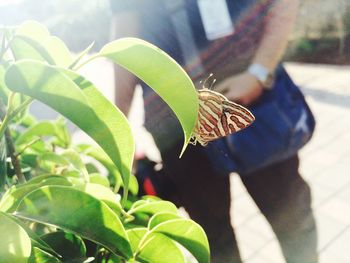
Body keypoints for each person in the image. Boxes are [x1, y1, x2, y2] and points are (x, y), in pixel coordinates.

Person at [110, 0, 318, 262]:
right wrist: (118, 136)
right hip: (176, 125)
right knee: (213, 238)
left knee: (292, 217)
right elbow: (125, 43)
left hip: (248, 102)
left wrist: (259, 71)